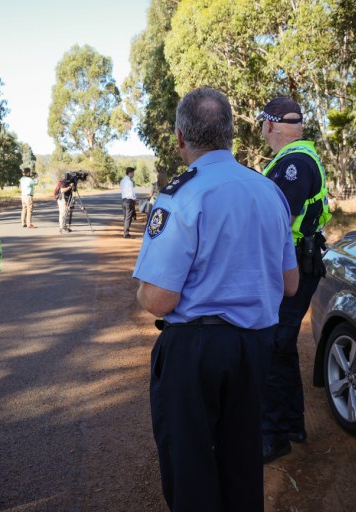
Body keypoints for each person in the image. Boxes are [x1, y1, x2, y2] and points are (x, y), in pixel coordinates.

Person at [133, 87, 299, 511]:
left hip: (196, 350)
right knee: (242, 459)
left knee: (189, 465)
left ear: (180, 138)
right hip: (256, 346)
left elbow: (159, 300)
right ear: (230, 135)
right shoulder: (269, 192)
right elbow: (291, 284)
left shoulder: (180, 195)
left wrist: (142, 289)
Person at [256, 97, 331, 464]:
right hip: (301, 262)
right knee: (282, 346)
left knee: (272, 346)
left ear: (270, 125)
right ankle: (292, 424)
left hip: (294, 266)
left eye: (262, 125)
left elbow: (276, 224)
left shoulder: (294, 164)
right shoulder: (298, 158)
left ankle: (273, 436)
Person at [120, 166, 137, 238]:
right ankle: (126, 234)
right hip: (129, 201)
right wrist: (135, 199)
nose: (133, 174)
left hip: (123, 200)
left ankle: (125, 232)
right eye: (133, 173)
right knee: (128, 218)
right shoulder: (130, 182)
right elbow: (131, 193)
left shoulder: (122, 181)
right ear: (130, 173)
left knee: (125, 217)